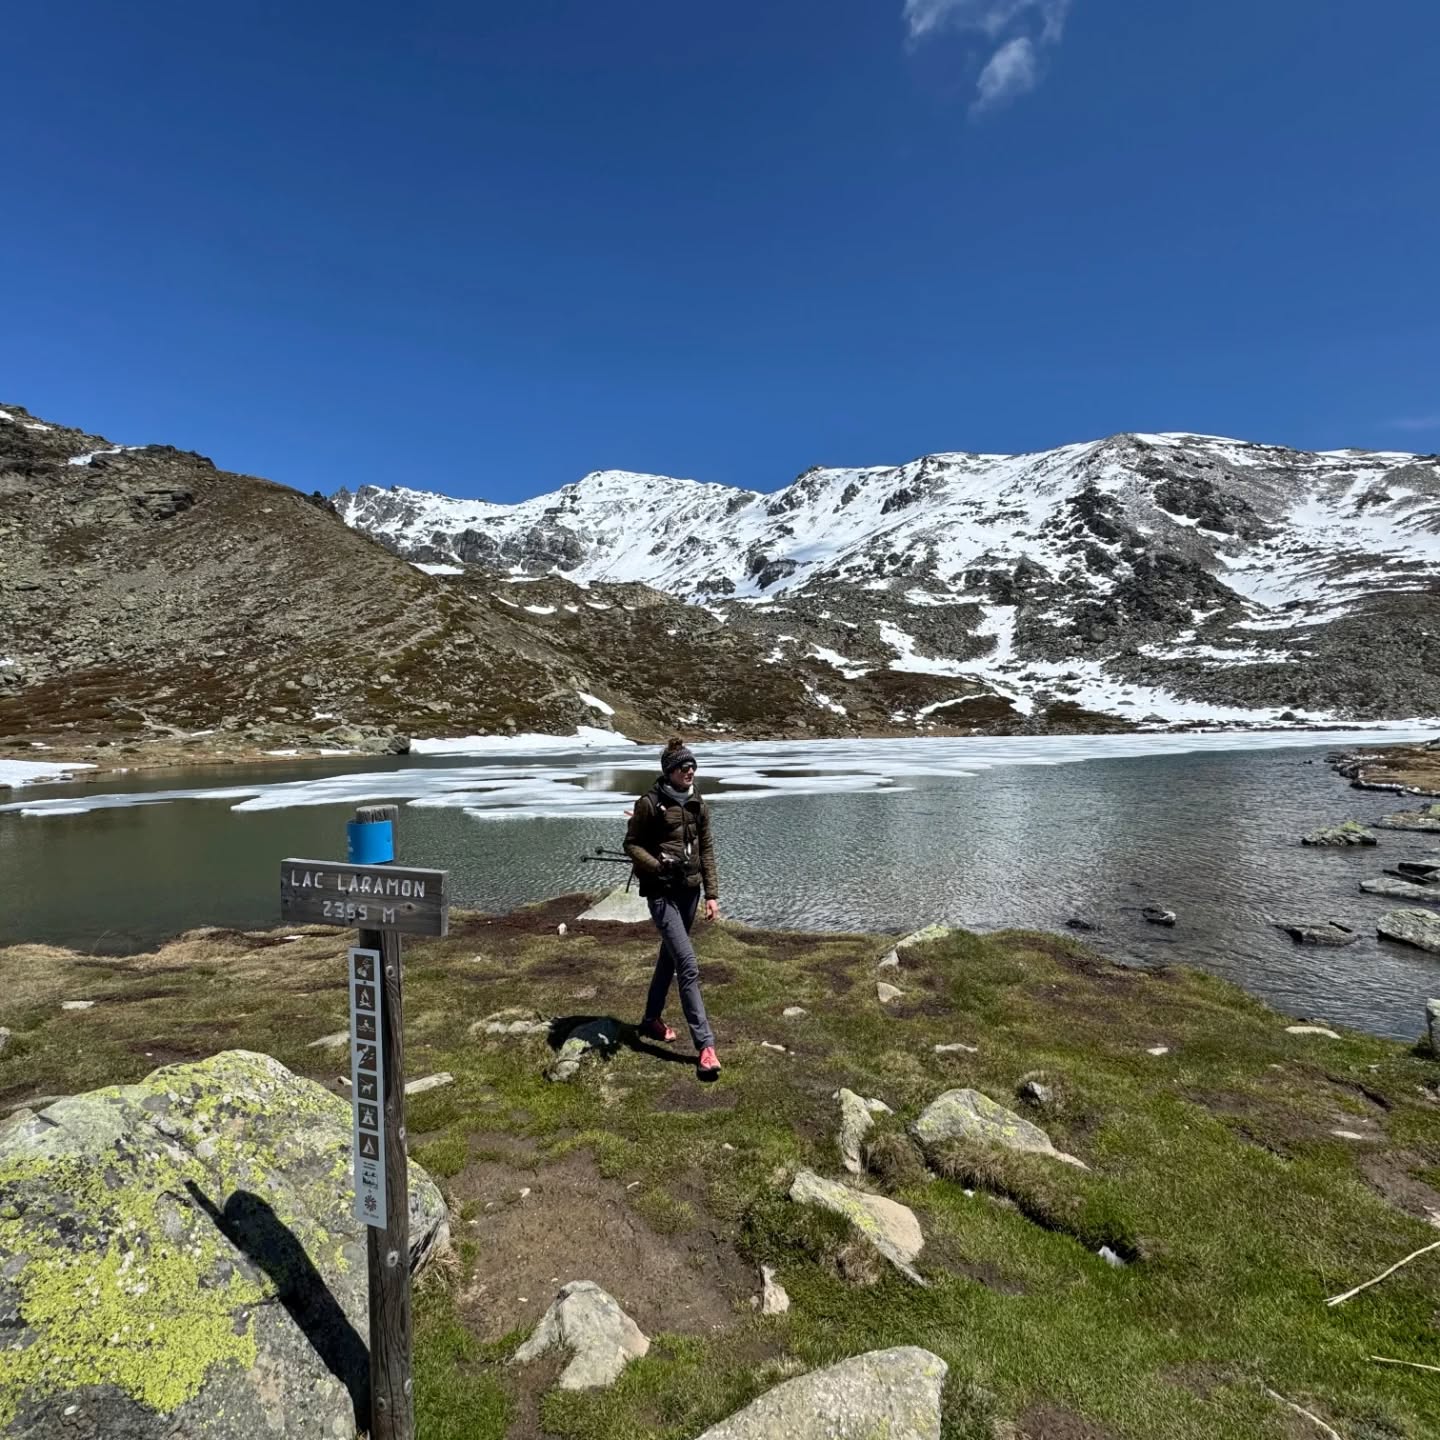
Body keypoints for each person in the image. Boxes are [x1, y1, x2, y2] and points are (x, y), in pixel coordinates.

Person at [624, 737, 721, 1078]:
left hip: (690, 893)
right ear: (669, 771)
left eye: (693, 765)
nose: (690, 771)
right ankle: (706, 1046)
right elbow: (632, 844)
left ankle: (651, 1019)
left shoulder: (698, 803)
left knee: (669, 957)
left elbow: (706, 849)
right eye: (684, 766)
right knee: (688, 964)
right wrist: (657, 866)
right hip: (661, 894)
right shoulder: (649, 804)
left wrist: (712, 894)